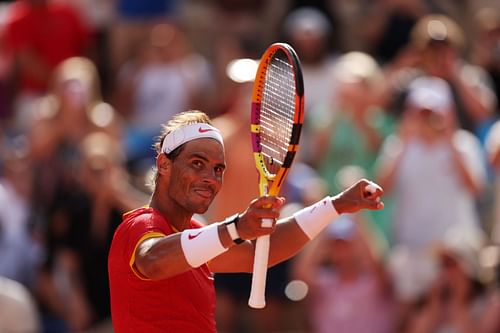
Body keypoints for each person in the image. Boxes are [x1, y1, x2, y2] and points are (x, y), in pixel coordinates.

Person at [108, 110, 385, 332]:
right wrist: (236, 227)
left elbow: (263, 253)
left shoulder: (196, 235)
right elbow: (153, 261)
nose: (210, 177)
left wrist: (335, 205)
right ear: (164, 165)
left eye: (218, 169)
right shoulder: (140, 225)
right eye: (197, 163)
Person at [292, 214, 395, 333]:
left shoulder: (373, 282)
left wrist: (361, 221)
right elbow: (300, 272)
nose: (343, 252)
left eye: (348, 245)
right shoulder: (324, 283)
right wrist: (324, 223)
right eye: (337, 246)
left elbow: (378, 262)